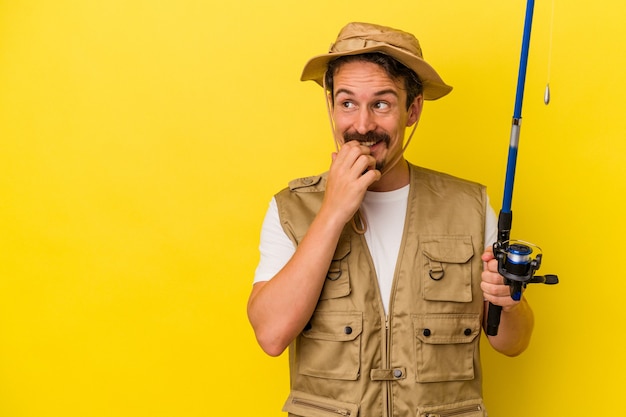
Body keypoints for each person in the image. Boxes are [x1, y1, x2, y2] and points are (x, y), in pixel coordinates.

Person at [247, 22, 534, 417]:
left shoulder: (469, 205)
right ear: (331, 106)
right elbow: (271, 334)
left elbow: (512, 343)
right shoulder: (290, 209)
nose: (362, 125)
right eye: (347, 103)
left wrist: (511, 304)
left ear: (412, 109)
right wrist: (332, 211)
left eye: (381, 104)